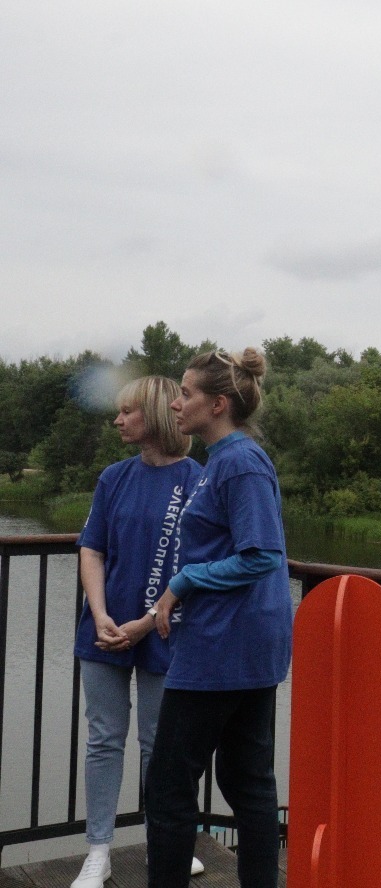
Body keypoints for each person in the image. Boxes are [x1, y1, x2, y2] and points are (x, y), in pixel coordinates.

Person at [145, 348, 293, 888]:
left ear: (218, 404)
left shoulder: (240, 463)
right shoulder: (226, 460)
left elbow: (262, 555)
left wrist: (183, 582)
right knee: (245, 778)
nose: (175, 403)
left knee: (169, 782)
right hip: (241, 642)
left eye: (185, 394)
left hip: (224, 645)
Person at [70, 376, 204, 888]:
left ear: (155, 414)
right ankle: (98, 853)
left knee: (160, 744)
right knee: (104, 739)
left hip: (167, 630)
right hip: (104, 631)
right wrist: (100, 612)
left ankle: (165, 847)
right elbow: (92, 547)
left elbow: (201, 565)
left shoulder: (197, 480)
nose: (117, 420)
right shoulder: (114, 477)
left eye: (127, 411)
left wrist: (147, 621)